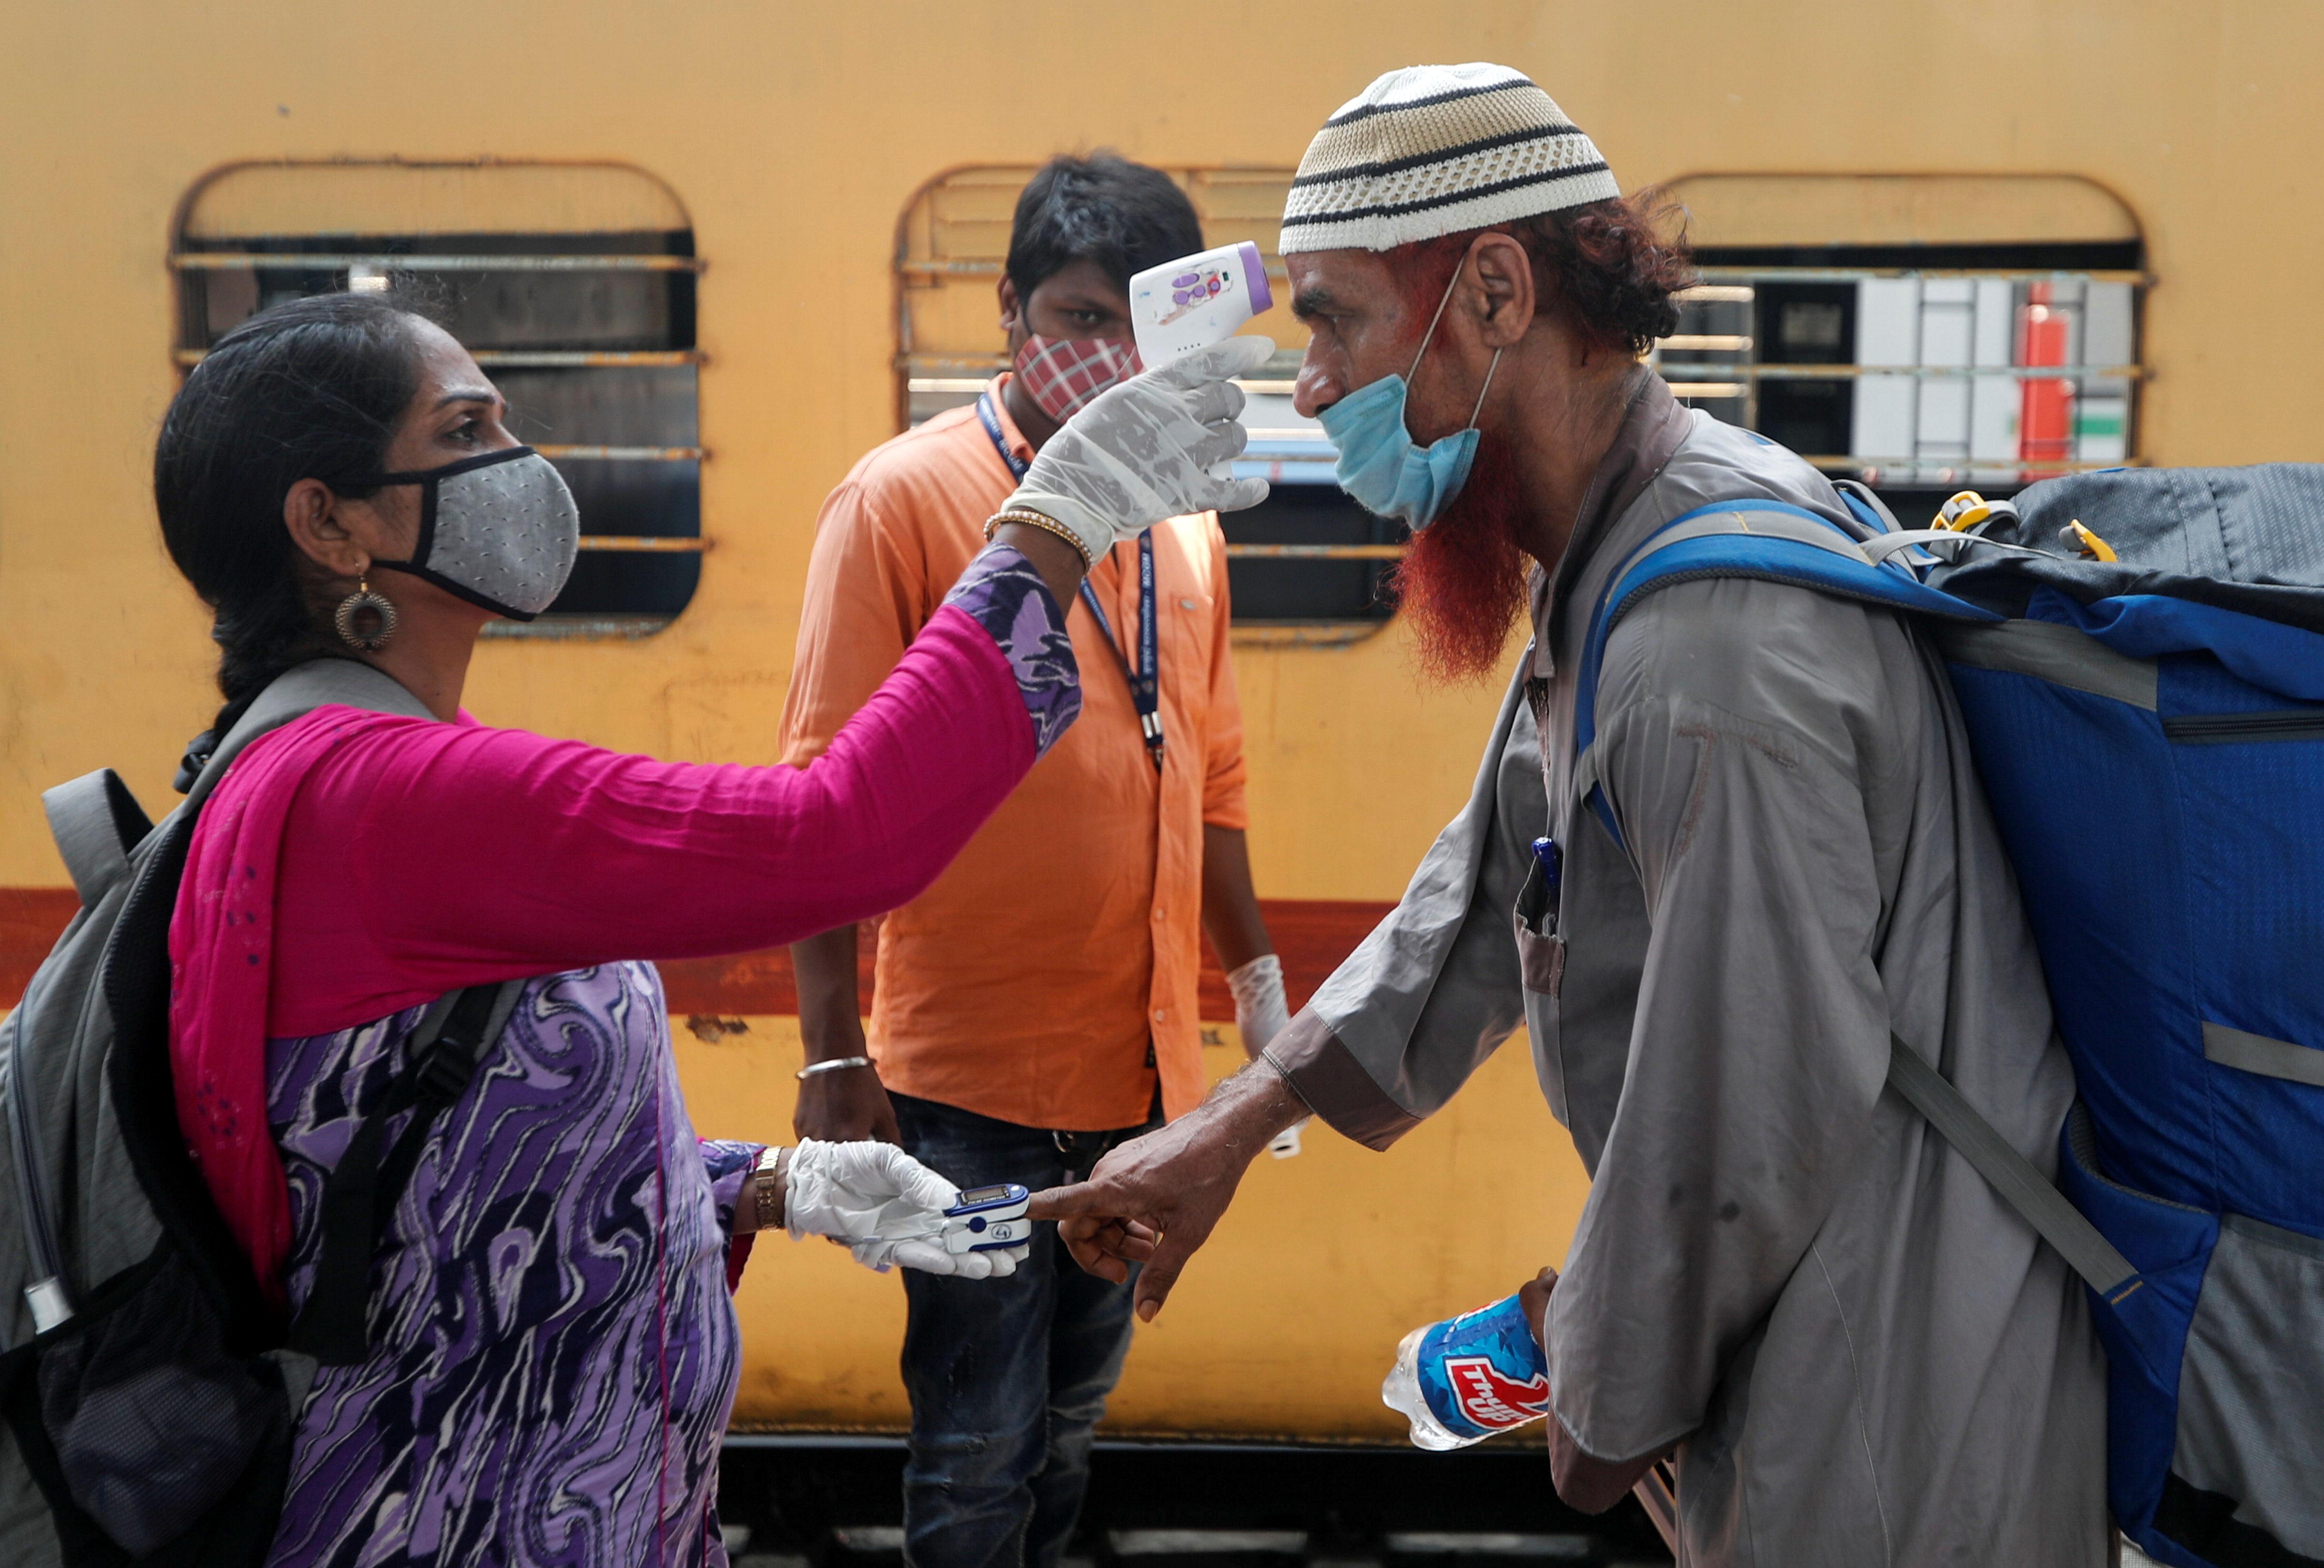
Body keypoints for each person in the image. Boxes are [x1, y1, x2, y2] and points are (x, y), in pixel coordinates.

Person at [1032, 64, 2109, 1566]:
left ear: (1491, 292)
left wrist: (1596, 1406)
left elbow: (1738, 1108)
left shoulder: (1709, 644)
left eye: (1335, 319)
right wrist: (1231, 1126)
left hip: (1893, 1395)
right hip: (1825, 1339)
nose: (1312, 387)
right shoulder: (1625, 561)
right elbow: (1481, 896)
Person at [152, 289, 1265, 1567]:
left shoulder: (331, 771)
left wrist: (768, 1187)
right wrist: (1055, 520)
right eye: (468, 432)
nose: (523, 466)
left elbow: (448, 1163)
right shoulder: (388, 795)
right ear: (329, 524)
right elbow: (832, 840)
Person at [778, 152, 1286, 1568]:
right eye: (1076, 319)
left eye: (1141, 331)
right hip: (966, 1091)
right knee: (975, 1447)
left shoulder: (1183, 519)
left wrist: (1257, 994)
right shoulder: (900, 501)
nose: (1109, 361)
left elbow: (1212, 771)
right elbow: (815, 788)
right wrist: (832, 1051)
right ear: (1007, 312)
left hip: (1140, 1083)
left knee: (1070, 1421)